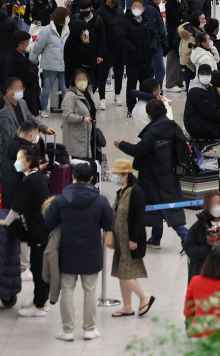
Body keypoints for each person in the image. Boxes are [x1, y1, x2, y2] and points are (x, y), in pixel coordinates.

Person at [44, 163, 115, 341]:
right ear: (91, 179)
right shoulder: (101, 200)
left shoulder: (60, 199)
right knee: (90, 291)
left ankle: (67, 330)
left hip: (67, 252)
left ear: (73, 177)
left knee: (67, 290)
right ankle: (89, 329)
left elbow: (49, 222)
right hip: (91, 252)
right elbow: (109, 223)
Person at [115, 99, 188, 248]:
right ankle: (155, 239)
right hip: (170, 174)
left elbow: (138, 150)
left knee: (165, 208)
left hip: (152, 177)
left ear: (149, 115)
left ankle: (187, 239)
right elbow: (184, 149)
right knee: (162, 207)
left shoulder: (151, 133)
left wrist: (121, 144)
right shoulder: (174, 127)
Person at [0, 146, 51, 317]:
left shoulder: (30, 181)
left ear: (29, 162)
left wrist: (5, 222)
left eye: (20, 159)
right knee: (41, 268)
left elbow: (17, 206)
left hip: (38, 232)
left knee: (38, 269)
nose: (17, 162)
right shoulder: (42, 178)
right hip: (44, 229)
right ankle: (41, 300)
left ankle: (39, 307)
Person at [107, 159, 154, 318]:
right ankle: (127, 306)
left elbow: (140, 217)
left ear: (125, 175)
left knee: (125, 274)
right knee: (123, 274)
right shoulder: (121, 192)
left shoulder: (136, 191)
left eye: (116, 174)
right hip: (120, 240)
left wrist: (134, 239)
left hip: (129, 240)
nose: (114, 177)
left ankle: (144, 297)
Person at [184, 190, 220, 283]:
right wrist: (209, 249)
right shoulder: (199, 226)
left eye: (219, 203)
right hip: (203, 273)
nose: (216, 206)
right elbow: (189, 248)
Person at [119, 0, 157, 116]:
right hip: (132, 60)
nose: (136, 9)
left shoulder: (148, 20)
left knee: (146, 84)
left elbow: (154, 35)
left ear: (143, 9)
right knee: (132, 84)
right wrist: (133, 49)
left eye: (138, 7)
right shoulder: (125, 21)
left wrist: (152, 47)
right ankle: (131, 108)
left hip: (147, 59)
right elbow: (121, 38)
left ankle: (145, 107)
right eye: (134, 6)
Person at [29, 7, 70, 117]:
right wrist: (33, 59)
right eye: (67, 16)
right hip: (50, 66)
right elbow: (38, 46)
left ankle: (67, 109)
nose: (68, 18)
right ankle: (43, 109)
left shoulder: (68, 29)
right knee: (46, 89)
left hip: (64, 65)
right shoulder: (47, 30)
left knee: (66, 90)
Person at [95, 0, 125, 107]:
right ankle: (102, 98)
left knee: (119, 72)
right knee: (103, 74)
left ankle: (117, 95)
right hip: (106, 47)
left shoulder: (120, 11)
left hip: (119, 47)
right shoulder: (100, 12)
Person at [0, 79, 53, 144]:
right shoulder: (3, 105)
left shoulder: (22, 103)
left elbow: (30, 117)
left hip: (24, 141)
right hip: (11, 143)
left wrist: (44, 128)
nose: (20, 91)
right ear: (8, 91)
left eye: (21, 88)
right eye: (17, 88)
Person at [73, 0, 106, 99]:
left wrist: (100, 55)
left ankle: (90, 95)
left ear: (91, 8)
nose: (84, 11)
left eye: (86, 9)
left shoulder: (98, 20)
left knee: (94, 78)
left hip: (94, 54)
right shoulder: (76, 19)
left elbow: (102, 39)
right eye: (82, 9)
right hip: (80, 54)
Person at [62, 68, 96, 159]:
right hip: (77, 138)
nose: (82, 82)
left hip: (89, 135)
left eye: (84, 79)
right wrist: (82, 118)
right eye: (79, 79)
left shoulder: (88, 93)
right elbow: (67, 116)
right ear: (74, 81)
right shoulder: (70, 95)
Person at [5, 31, 40, 116]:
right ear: (20, 46)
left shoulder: (19, 55)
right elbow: (32, 77)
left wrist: (32, 67)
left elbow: (31, 65)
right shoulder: (17, 60)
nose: (29, 44)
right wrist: (34, 68)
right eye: (27, 42)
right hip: (24, 96)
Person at [144, 0, 169, 93]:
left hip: (152, 44)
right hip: (154, 45)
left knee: (153, 70)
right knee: (160, 70)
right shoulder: (151, 9)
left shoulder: (149, 7)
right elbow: (155, 28)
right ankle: (157, 93)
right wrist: (161, 42)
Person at [164, 0, 188, 92]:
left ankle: (179, 81)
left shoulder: (183, 2)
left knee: (182, 59)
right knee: (173, 60)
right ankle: (170, 83)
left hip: (183, 33)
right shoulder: (170, 4)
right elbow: (175, 19)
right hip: (173, 34)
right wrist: (184, 20)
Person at [179, 11, 206, 86]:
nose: (205, 21)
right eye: (203, 19)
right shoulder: (190, 37)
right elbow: (186, 56)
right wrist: (194, 69)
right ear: (196, 22)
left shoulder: (198, 32)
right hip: (189, 68)